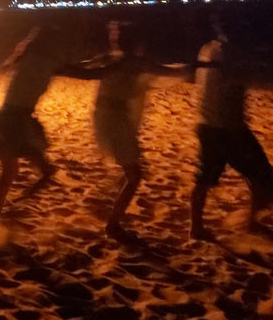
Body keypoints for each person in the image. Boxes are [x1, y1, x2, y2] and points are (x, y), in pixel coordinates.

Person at [59, 22, 189, 237]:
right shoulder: (132, 63)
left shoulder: (112, 60)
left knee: (130, 170)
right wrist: (201, 67)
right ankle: (113, 224)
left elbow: (84, 70)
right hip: (115, 120)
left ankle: (114, 215)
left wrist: (59, 67)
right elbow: (170, 72)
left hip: (105, 117)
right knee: (134, 175)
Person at [190, 17, 273, 240]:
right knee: (262, 175)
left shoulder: (207, 48)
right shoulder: (233, 53)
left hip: (207, 123)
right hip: (228, 128)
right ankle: (251, 222)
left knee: (205, 179)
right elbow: (236, 79)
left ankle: (197, 227)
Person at [0, 26, 65, 222]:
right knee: (45, 171)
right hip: (16, 124)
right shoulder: (43, 61)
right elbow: (82, 72)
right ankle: (14, 208)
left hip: (6, 120)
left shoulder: (26, 60)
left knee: (10, 174)